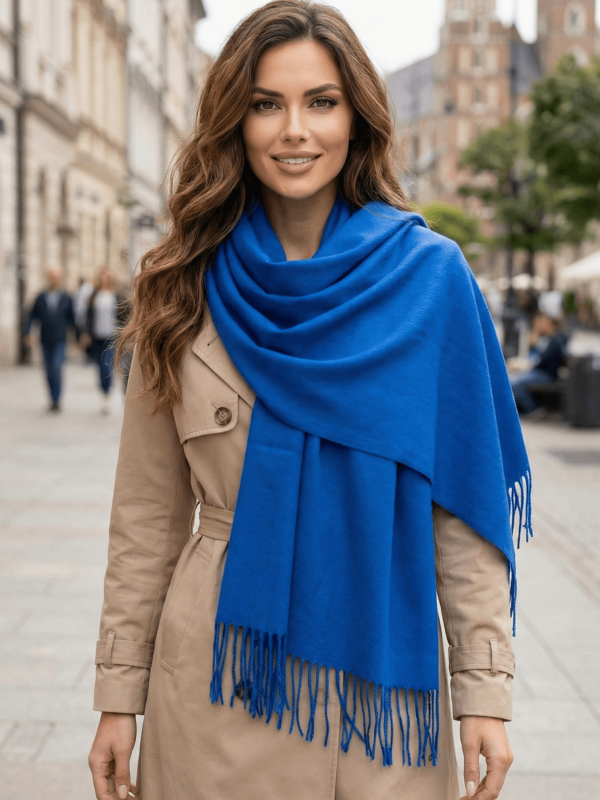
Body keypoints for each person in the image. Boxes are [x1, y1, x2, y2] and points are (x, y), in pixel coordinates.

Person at [89, 4, 531, 800]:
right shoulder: (180, 283)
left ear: (357, 119)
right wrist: (119, 692)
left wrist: (485, 692)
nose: (295, 130)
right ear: (236, 121)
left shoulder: (431, 280)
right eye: (267, 104)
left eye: (320, 102)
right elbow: (148, 514)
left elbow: (461, 517)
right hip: (218, 681)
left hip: (382, 704)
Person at [25, 267, 75, 412]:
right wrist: (28, 333)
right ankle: (52, 397)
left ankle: (57, 399)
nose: (53, 280)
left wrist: (79, 337)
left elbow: (71, 318)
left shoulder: (66, 297)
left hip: (60, 338)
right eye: (51, 277)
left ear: (59, 279)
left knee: (56, 367)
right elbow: (31, 315)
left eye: (56, 277)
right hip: (45, 338)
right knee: (48, 370)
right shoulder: (40, 297)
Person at [510, 313, 568, 417]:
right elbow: (533, 356)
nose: (538, 325)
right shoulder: (545, 339)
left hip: (546, 375)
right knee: (511, 379)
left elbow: (540, 360)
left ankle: (532, 409)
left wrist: (525, 365)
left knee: (515, 382)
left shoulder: (556, 340)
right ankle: (520, 408)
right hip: (537, 372)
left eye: (541, 322)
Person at [83, 269, 118, 414]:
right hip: (97, 338)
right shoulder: (93, 296)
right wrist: (85, 334)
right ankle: (103, 392)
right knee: (99, 368)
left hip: (111, 337)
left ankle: (107, 394)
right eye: (103, 278)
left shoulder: (116, 296)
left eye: (107, 278)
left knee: (107, 366)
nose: (105, 280)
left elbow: (123, 315)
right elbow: (88, 317)